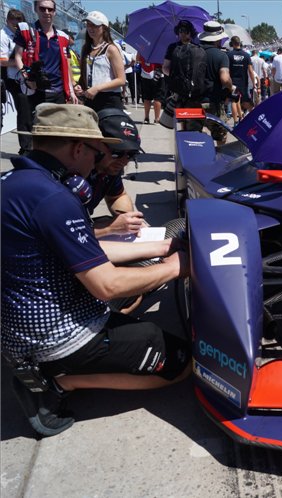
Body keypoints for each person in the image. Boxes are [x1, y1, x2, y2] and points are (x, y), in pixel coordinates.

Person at [2, 103, 190, 437]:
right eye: (96, 152)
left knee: (138, 283)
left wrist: (161, 248)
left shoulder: (17, 183)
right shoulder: (54, 198)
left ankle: (50, 367)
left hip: (17, 328)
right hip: (52, 338)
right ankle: (54, 380)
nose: (96, 161)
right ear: (78, 148)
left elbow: (84, 251)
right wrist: (174, 267)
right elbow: (107, 285)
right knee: (182, 361)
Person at [87, 108, 147, 239]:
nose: (124, 162)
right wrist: (109, 228)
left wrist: (128, 220)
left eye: (130, 154)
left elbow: (117, 196)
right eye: (116, 153)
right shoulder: (72, 174)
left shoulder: (108, 167)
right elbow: (58, 232)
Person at [13, 0, 78, 109]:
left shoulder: (63, 37)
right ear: (36, 9)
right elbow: (18, 57)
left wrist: (71, 91)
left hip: (59, 92)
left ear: (54, 12)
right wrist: (27, 78)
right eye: (42, 9)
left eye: (50, 9)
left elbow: (66, 66)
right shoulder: (26, 30)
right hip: (36, 90)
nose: (46, 12)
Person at [74, 11, 125, 111]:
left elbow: (121, 80)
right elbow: (85, 75)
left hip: (109, 100)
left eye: (95, 25)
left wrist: (97, 88)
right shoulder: (86, 48)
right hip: (90, 99)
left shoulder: (111, 49)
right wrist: (80, 86)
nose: (90, 28)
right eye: (88, 25)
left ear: (104, 28)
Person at [1, 9, 33, 154]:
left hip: (27, 77)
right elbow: (2, 61)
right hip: (13, 79)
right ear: (7, 20)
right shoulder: (2, 36)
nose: (16, 23)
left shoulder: (26, 34)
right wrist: (21, 62)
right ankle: (25, 147)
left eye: (19, 20)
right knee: (24, 110)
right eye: (13, 20)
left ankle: (33, 144)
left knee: (31, 110)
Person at [196, 21, 233, 145]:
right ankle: (219, 155)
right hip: (213, 102)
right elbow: (225, 79)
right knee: (220, 136)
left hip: (193, 102)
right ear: (217, 40)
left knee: (193, 136)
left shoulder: (193, 51)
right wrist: (231, 87)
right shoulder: (221, 56)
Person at [227, 36, 255, 124]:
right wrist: (254, 83)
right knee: (247, 101)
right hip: (243, 82)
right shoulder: (246, 55)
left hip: (233, 82)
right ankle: (253, 118)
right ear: (240, 43)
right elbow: (250, 71)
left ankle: (236, 122)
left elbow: (226, 70)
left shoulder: (229, 55)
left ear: (232, 44)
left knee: (234, 101)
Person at [137, 53, 163, 124]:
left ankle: (146, 117)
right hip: (157, 74)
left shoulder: (144, 49)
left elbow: (137, 59)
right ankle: (157, 118)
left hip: (145, 74)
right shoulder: (159, 50)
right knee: (157, 97)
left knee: (147, 97)